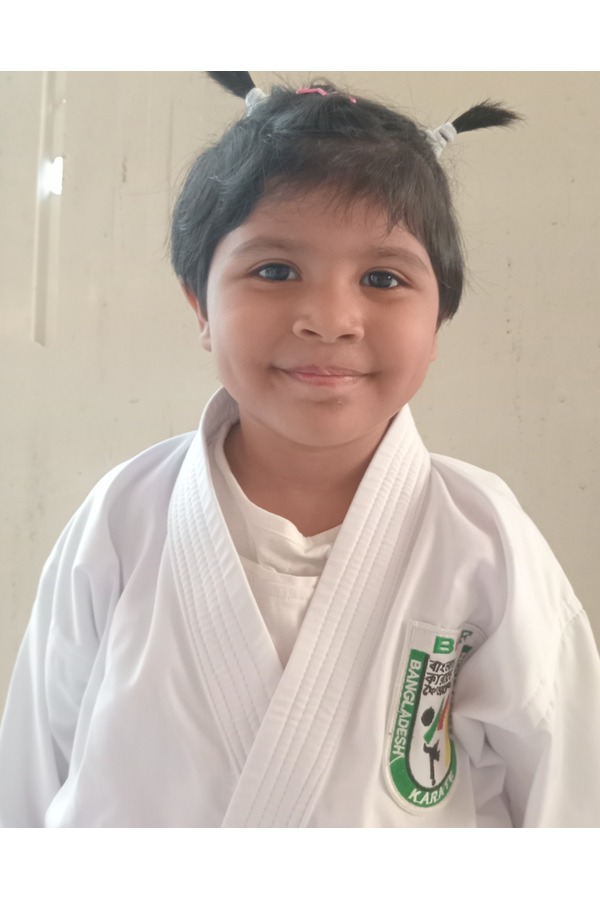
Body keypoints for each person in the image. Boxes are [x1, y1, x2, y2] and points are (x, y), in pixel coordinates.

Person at [1, 71, 599, 828]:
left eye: (383, 277)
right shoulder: (123, 517)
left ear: (437, 322)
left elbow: (568, 795)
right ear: (201, 305)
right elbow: (32, 770)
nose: (329, 318)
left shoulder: (482, 539)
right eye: (275, 270)